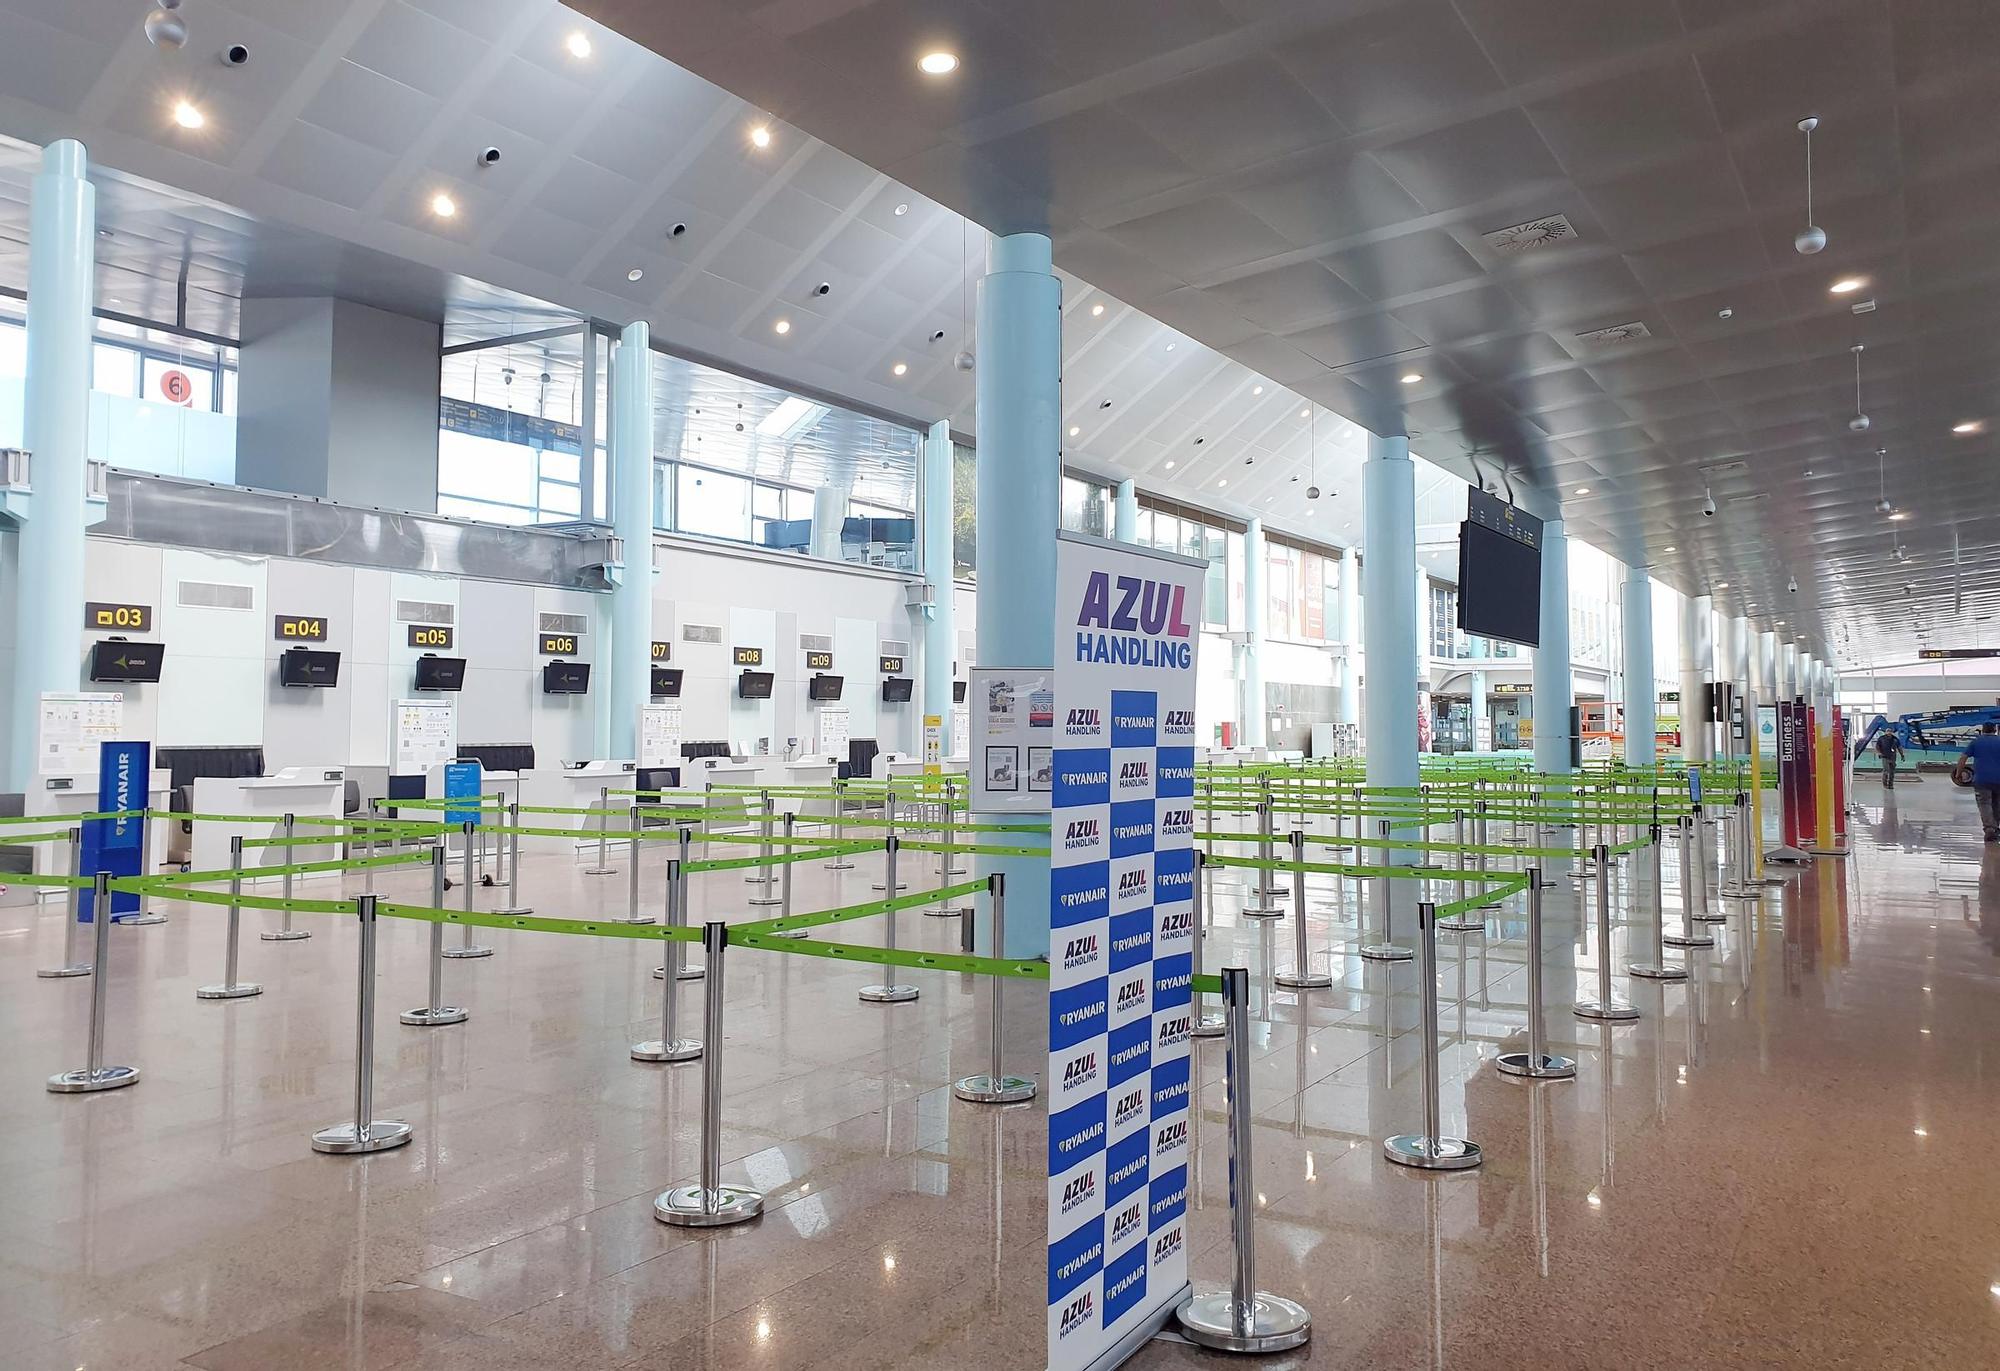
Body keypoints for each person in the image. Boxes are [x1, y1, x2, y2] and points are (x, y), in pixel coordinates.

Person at [1962, 723, 2000, 841]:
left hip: (1981, 781)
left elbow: (1963, 758)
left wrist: (1958, 774)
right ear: (1995, 730)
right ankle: (1995, 828)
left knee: (1985, 804)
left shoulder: (1976, 742)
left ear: (1983, 730)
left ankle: (1989, 829)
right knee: (1997, 804)